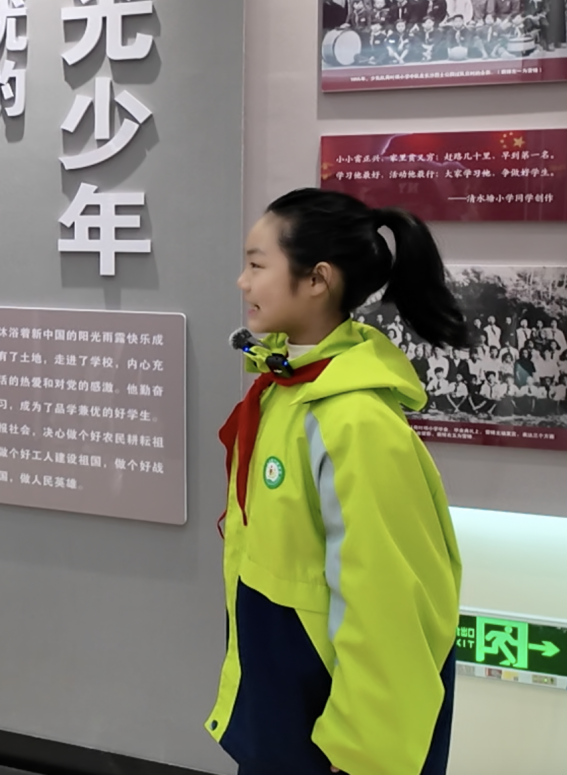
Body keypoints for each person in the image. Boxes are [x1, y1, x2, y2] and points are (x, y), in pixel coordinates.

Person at [211, 188, 463, 775]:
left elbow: (388, 607)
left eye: (257, 265)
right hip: (284, 711)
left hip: (330, 740)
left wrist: (358, 751)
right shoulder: (286, 391)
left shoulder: (355, 423)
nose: (242, 283)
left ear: (317, 279)